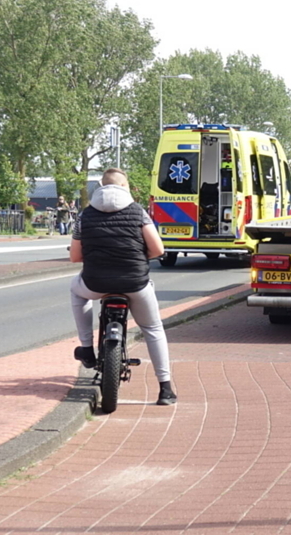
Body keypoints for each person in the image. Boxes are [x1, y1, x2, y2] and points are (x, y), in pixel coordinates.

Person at [69, 168, 177, 406]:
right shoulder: (139, 212)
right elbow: (158, 250)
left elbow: (75, 257)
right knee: (152, 328)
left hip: (95, 283)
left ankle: (87, 348)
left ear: (100, 188)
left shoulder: (84, 216)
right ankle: (165, 389)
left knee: (76, 291)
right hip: (135, 284)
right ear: (125, 187)